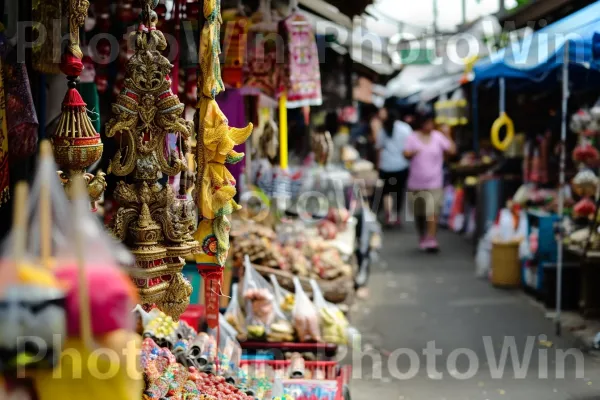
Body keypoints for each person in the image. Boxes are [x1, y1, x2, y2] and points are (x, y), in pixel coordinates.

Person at [403, 112, 456, 251]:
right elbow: (405, 153)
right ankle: (422, 236)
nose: (429, 125)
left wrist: (448, 135)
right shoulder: (412, 138)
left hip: (434, 182)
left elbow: (452, 150)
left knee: (432, 211)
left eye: (431, 123)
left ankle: (431, 239)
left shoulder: (438, 137)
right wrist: (412, 153)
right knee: (419, 214)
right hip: (416, 183)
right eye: (427, 123)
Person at [375, 108, 411, 226]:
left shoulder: (383, 129)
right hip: (401, 165)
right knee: (399, 192)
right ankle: (395, 215)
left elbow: (379, 148)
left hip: (386, 166)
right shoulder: (405, 128)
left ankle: (388, 215)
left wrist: (377, 166)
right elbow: (410, 146)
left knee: (387, 192)